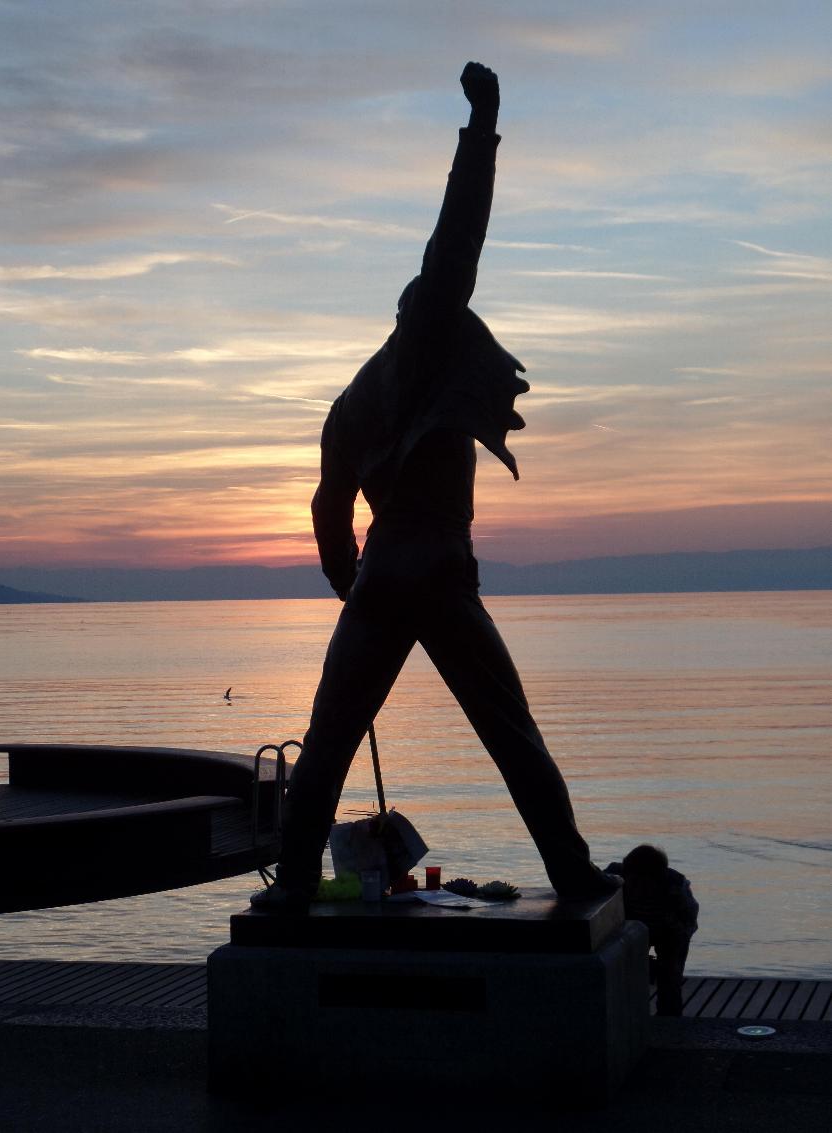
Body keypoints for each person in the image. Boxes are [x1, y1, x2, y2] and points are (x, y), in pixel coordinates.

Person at [253, 62, 619, 912]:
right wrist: (483, 124)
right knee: (510, 733)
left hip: (382, 578)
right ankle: (571, 871)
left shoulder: (349, 402)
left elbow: (326, 509)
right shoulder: (426, 346)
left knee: (331, 737)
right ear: (421, 316)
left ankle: (297, 879)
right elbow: (458, 238)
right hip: (439, 572)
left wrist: (352, 585)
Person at [607, 845, 699, 1016]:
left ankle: (669, 1019)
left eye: (641, 882)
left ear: (656, 878)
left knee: (671, 977)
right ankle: (630, 1015)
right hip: (633, 928)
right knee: (628, 972)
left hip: (671, 931)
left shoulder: (675, 887)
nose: (635, 887)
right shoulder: (614, 877)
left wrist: (675, 951)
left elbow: (689, 918)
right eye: (631, 879)